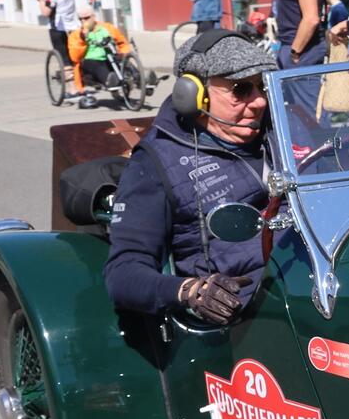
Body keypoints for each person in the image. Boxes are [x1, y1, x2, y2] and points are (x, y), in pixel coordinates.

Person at [103, 30, 273, 324]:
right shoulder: (155, 163)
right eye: (241, 89)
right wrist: (192, 290)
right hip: (246, 318)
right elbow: (123, 272)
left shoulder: (282, 132)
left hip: (309, 287)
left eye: (263, 87)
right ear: (194, 95)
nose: (259, 102)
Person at [65, 5, 132, 109]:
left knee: (123, 62)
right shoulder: (76, 35)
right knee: (97, 65)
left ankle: (142, 79)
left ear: (93, 16)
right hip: (89, 61)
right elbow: (75, 57)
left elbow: (122, 43)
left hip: (110, 57)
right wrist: (83, 38)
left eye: (86, 18)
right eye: (80, 19)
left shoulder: (107, 27)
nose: (83, 21)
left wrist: (124, 54)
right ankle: (111, 82)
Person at [40, 0, 79, 83]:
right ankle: (78, 80)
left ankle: (72, 89)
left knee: (64, 58)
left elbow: (45, 12)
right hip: (71, 26)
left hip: (57, 27)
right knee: (74, 55)